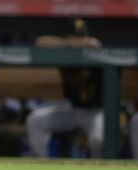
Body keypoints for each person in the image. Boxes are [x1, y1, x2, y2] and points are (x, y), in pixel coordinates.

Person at [25, 22, 104, 158]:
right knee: (35, 120)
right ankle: (42, 165)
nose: (77, 41)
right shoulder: (65, 52)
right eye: (74, 37)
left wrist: (74, 44)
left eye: (80, 37)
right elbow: (40, 42)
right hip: (72, 110)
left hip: (96, 111)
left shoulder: (94, 52)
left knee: (97, 139)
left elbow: (95, 44)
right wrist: (69, 44)